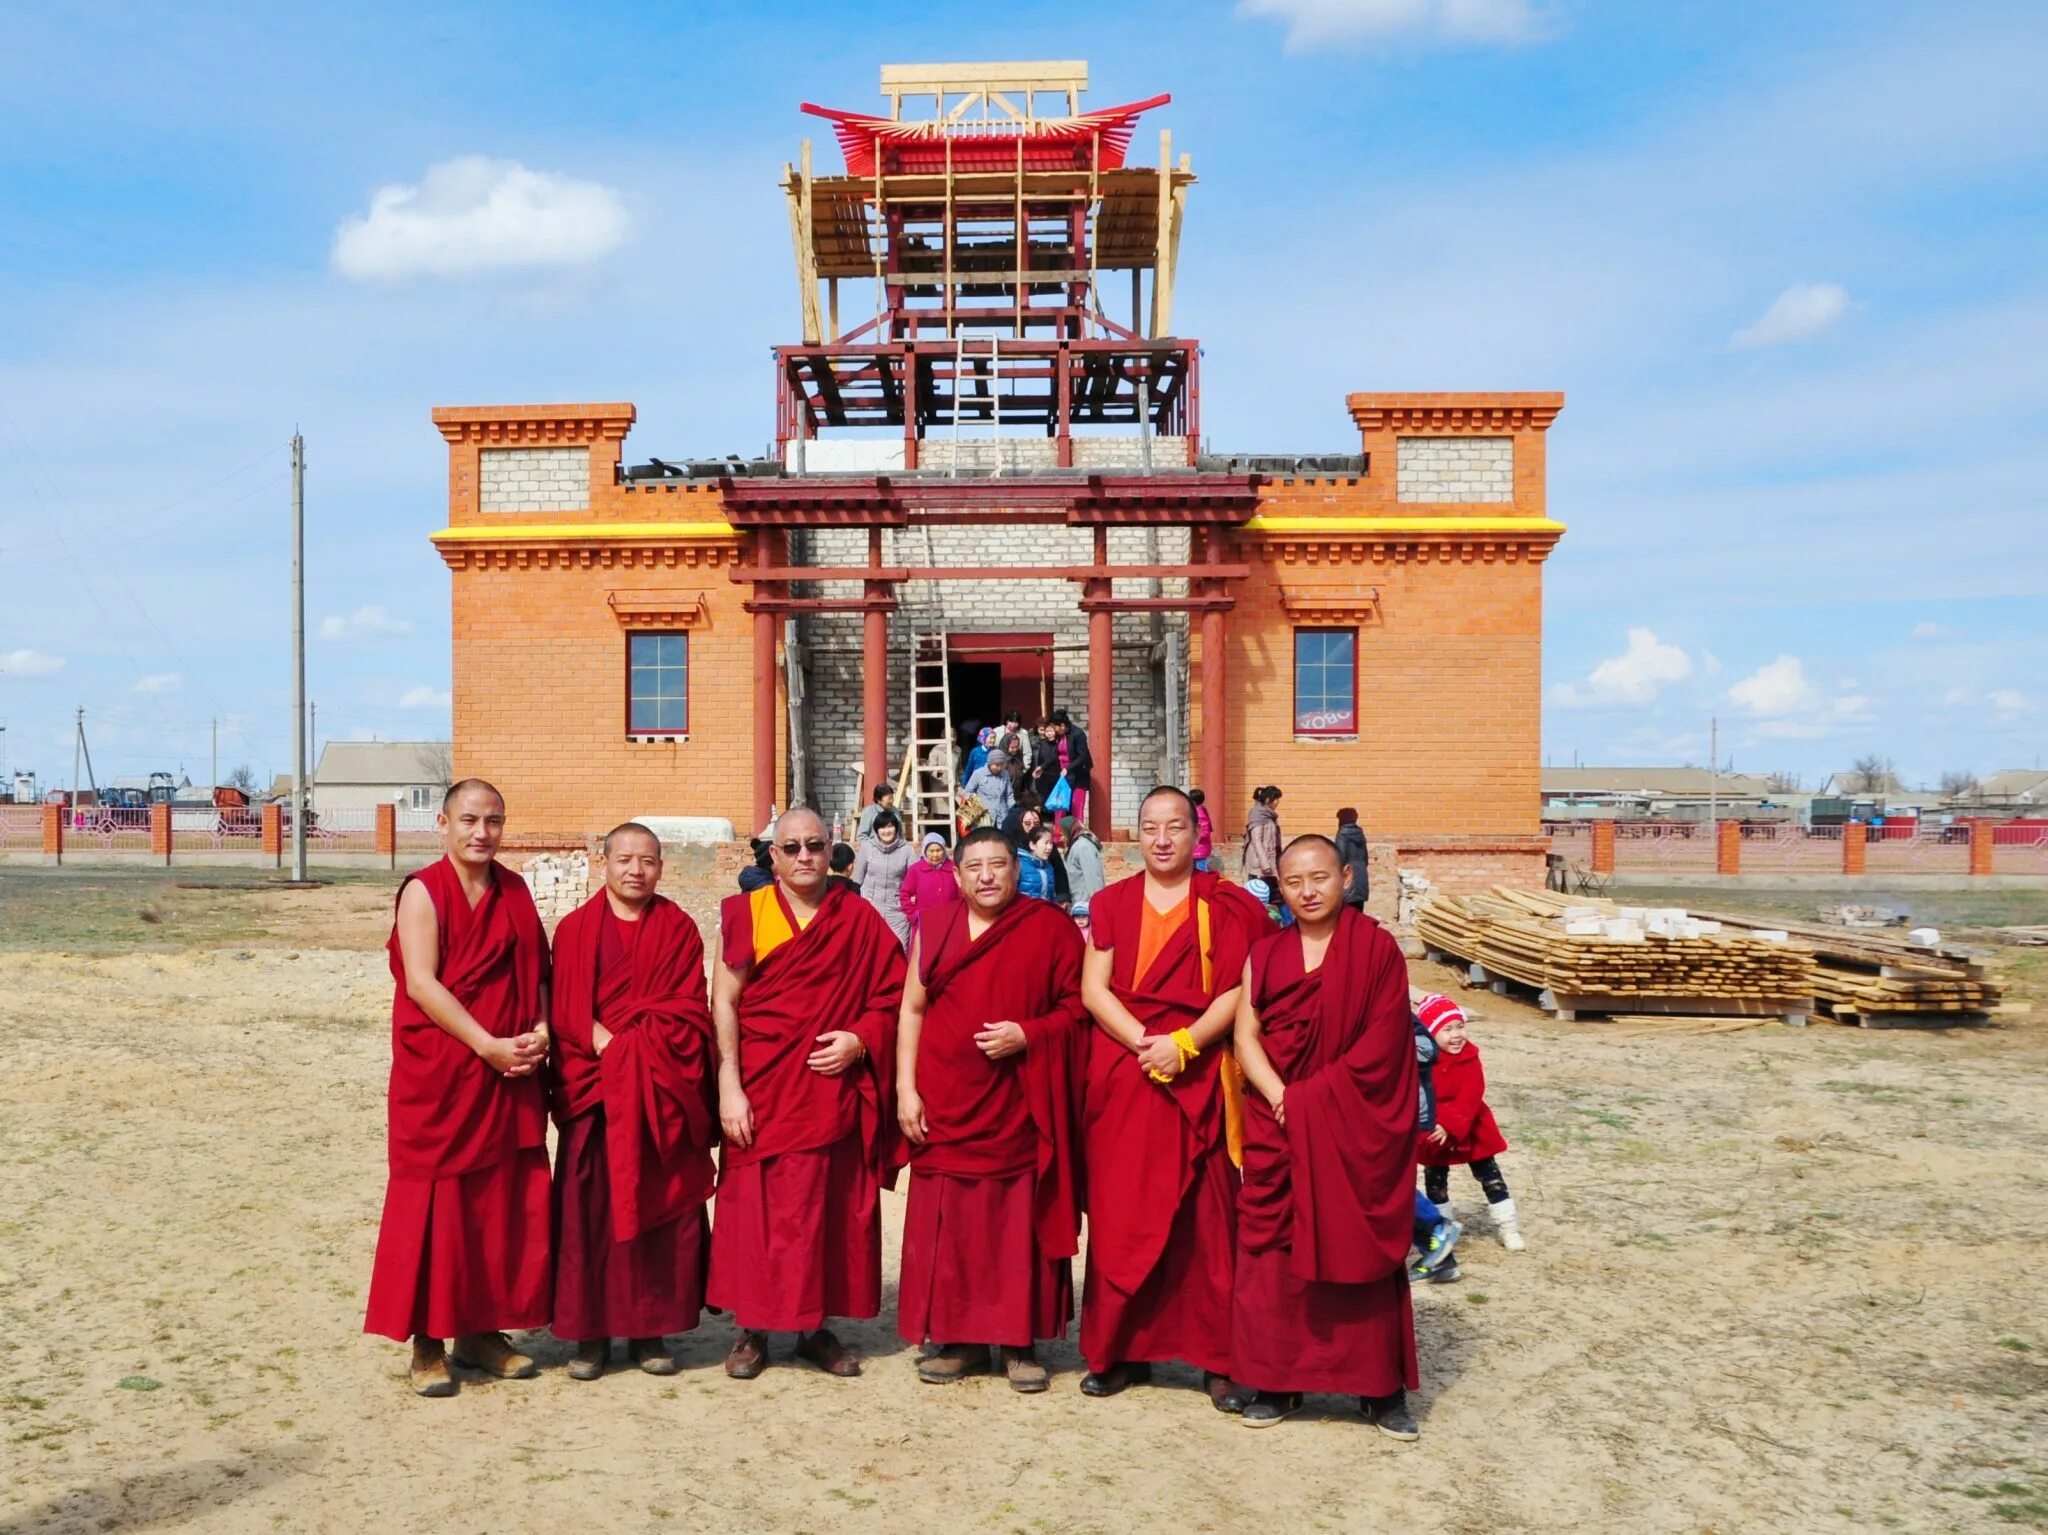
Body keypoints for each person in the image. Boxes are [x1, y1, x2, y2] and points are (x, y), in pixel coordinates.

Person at [1077, 786, 1272, 1411]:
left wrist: (1184, 1043)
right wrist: (1145, 1042)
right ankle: (1120, 1352)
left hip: (1199, 1074)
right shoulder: (1111, 901)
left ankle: (1217, 1359)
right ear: (1137, 835)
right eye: (1151, 827)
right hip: (1126, 1069)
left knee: (1207, 1222)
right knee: (1120, 1213)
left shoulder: (1229, 905)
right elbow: (1093, 989)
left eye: (1176, 827)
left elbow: (1240, 989)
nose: (1163, 839)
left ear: (1197, 835)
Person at [364, 779, 552, 1397]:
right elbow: (422, 983)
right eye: (469, 820)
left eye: (493, 821)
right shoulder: (424, 891)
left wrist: (542, 1030)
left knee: (498, 1202)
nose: (482, 833)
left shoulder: (516, 890)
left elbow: (538, 972)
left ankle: (481, 1332)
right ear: (442, 825)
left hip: (508, 1071)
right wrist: (487, 1045)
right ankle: (427, 1345)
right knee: (437, 1203)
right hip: (444, 1070)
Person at [1230, 835, 1422, 1436]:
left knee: (1356, 1242)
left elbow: (1384, 1046)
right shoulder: (1265, 954)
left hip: (1351, 1128)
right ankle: (1276, 1381)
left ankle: (1377, 1391)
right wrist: (1283, 1097)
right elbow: (1245, 1036)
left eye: (1319, 878)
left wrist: (1310, 1101)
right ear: (1278, 888)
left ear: (1345, 877)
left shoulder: (1377, 951)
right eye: (1293, 882)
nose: (1307, 892)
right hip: (1280, 1121)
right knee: (1273, 1252)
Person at [708, 806, 909, 1378]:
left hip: (829, 1092)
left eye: (815, 846)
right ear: (773, 856)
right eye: (792, 847)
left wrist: (861, 1039)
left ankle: (814, 1327)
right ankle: (751, 1329)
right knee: (757, 1211)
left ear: (832, 850)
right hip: (764, 1087)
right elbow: (725, 1001)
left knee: (826, 1209)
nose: (804, 857)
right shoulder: (749, 913)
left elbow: (891, 998)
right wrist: (730, 1085)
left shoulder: (859, 916)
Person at [892, 828, 1088, 1392]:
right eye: (973, 866)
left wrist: (1029, 1033)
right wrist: (907, 1088)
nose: (985, 876)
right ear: (955, 875)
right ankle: (960, 1340)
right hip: (946, 1101)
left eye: (997, 864)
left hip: (1019, 1106)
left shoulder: (1048, 928)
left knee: (1013, 1227)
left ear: (1015, 868)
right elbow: (911, 1009)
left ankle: (1019, 1342)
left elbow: (1077, 1012)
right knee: (952, 1226)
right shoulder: (935, 926)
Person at [548, 823, 719, 1380]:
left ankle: (651, 1329)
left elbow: (690, 1013)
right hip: (594, 1092)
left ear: (661, 867)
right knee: (588, 1215)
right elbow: (566, 1006)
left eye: (647, 861)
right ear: (604, 862)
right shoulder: (575, 930)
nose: (635, 870)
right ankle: (589, 1335)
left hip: (655, 1094)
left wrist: (631, 1052)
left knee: (657, 1209)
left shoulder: (677, 929)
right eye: (625, 859)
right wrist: (606, 1044)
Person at [1415, 992, 1525, 1252]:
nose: (1456, 1035)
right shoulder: (1421, 1060)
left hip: (1471, 1127)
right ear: (1430, 1033)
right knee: (1436, 1182)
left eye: (1460, 1027)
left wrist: (1450, 1124)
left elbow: (1472, 1094)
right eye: (1447, 1029)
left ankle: (1508, 1226)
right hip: (1434, 1131)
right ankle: (1442, 1229)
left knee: (1491, 1177)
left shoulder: (1469, 1056)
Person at [854, 809, 915, 949]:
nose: (886, 831)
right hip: (870, 909)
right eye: (882, 827)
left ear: (896, 828)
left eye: (890, 826)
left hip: (897, 912)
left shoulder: (907, 850)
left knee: (898, 950)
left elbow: (913, 882)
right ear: (876, 830)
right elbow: (857, 880)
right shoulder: (867, 848)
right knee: (871, 951)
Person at [899, 830, 963, 942]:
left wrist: (958, 916)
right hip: (924, 923)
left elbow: (961, 895)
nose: (935, 855)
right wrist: (914, 916)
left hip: (950, 923)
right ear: (924, 851)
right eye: (931, 851)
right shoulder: (916, 869)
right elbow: (904, 895)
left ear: (944, 850)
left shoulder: (953, 868)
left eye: (938, 850)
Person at [1059, 814, 1105, 917]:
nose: (1061, 838)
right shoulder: (1074, 845)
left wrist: (1098, 905)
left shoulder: (1083, 847)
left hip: (1085, 904)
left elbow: (1093, 876)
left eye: (1062, 833)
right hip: (1077, 903)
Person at [1050, 709, 1091, 825]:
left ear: (1062, 726)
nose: (1055, 730)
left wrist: (1068, 768)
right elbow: (1055, 755)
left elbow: (1083, 756)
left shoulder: (1078, 734)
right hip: (1064, 777)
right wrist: (1042, 767)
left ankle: (1077, 836)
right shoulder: (1060, 736)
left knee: (1076, 806)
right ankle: (1058, 838)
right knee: (1060, 806)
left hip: (1078, 776)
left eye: (1056, 727)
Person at [963, 747, 1016, 830]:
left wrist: (1013, 810)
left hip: (1001, 816)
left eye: (1001, 765)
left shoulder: (1005, 773)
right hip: (983, 817)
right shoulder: (978, 773)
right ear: (990, 763)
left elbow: (1009, 795)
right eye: (996, 765)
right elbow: (967, 792)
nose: (999, 768)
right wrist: (977, 806)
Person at [1243, 787, 1282, 886]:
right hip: (1259, 865)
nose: (1278, 802)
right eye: (1276, 799)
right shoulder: (1257, 814)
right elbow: (1257, 841)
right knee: (1259, 894)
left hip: (1269, 861)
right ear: (1268, 800)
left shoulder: (1270, 816)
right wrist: (1265, 864)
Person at [1335, 808, 1371, 909]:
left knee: (1346, 915)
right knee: (1358, 913)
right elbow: (1365, 859)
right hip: (1361, 877)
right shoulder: (1360, 834)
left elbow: (1340, 859)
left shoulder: (1342, 834)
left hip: (1348, 879)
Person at [1030, 721, 1064, 806]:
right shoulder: (1042, 743)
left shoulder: (1060, 742)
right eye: (1047, 731)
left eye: (1051, 731)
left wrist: (1042, 766)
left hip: (1056, 774)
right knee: (1043, 799)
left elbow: (1054, 757)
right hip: (1044, 776)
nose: (1049, 734)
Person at [1191, 788, 1215, 872]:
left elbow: (1205, 832)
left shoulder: (1199, 814)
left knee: (1201, 872)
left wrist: (1192, 838)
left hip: (1199, 849)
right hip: (1196, 849)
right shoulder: (1197, 811)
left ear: (1193, 801)